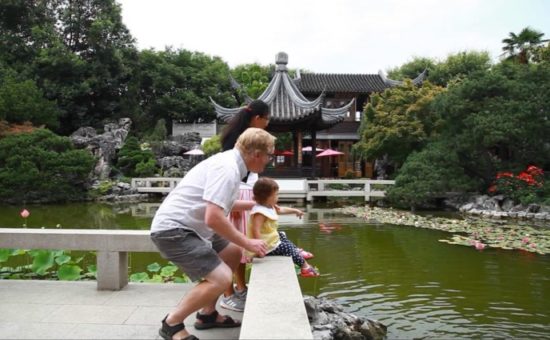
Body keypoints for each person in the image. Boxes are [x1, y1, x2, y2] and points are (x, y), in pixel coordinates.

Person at [150, 127, 275, 340]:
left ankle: (207, 314)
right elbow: (213, 217)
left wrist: (258, 205)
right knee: (221, 278)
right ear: (256, 154)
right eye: (269, 155)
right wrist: (248, 241)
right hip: (175, 229)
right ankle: (171, 324)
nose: (268, 161)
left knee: (233, 252)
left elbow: (222, 202)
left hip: (192, 225)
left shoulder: (230, 164)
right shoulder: (227, 169)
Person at [218, 99, 270, 312]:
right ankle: (227, 292)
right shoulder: (242, 140)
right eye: (266, 119)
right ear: (257, 118)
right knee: (229, 246)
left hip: (247, 191)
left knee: (239, 248)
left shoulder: (242, 136)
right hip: (238, 192)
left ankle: (240, 287)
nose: (267, 124)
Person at [247, 177, 320, 277]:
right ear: (267, 197)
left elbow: (281, 210)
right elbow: (255, 229)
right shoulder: (260, 212)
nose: (278, 197)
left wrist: (295, 211)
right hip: (266, 246)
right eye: (276, 195)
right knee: (287, 248)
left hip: (271, 240)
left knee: (282, 235)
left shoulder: (269, 206)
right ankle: (305, 267)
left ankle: (297, 251)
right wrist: (259, 249)